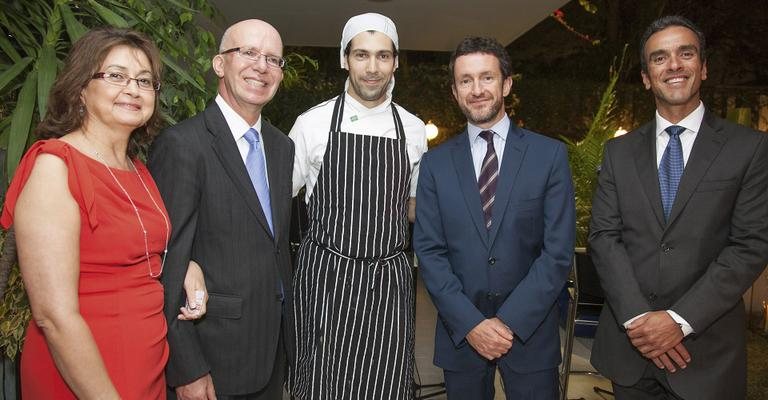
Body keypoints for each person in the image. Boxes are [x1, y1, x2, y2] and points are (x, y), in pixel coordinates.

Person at [0, 27, 206, 399]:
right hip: (83, 375)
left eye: (145, 81)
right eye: (116, 76)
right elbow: (53, 315)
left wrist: (188, 267)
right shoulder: (55, 165)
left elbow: (141, 246)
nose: (133, 89)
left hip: (148, 365)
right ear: (81, 87)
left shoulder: (138, 170)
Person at [589, 15, 768, 400]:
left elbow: (750, 245)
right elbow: (604, 237)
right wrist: (640, 321)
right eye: (659, 57)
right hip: (630, 351)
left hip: (706, 357)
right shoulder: (618, 153)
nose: (673, 65)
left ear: (702, 68)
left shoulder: (749, 149)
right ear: (645, 76)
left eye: (685, 54)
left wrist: (678, 321)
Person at [413, 37, 575, 400]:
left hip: (531, 335)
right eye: (465, 81)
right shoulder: (436, 165)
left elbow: (557, 252)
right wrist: (471, 324)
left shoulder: (548, 156)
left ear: (507, 83)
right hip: (461, 337)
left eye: (486, 77)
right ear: (455, 92)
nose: (476, 90)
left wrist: (507, 322)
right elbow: (430, 251)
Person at [148, 19, 294, 400]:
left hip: (272, 349)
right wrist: (186, 368)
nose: (261, 66)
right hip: (212, 357)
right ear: (219, 64)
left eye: (273, 59)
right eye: (248, 52)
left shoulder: (282, 148)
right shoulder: (183, 145)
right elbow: (168, 264)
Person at [288, 12, 427, 400]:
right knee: (319, 385)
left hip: (388, 282)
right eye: (361, 55)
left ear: (396, 62)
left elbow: (414, 206)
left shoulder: (413, 129)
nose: (372, 68)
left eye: (383, 56)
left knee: (384, 386)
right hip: (325, 279)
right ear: (344, 59)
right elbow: (273, 201)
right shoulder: (311, 124)